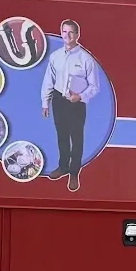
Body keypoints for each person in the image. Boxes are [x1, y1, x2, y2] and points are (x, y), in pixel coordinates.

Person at [40, 18, 100, 191]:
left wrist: (80, 97)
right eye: (64, 32)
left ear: (77, 35)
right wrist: (45, 102)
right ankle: (63, 166)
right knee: (62, 136)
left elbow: (95, 86)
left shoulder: (86, 59)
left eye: (71, 32)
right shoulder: (55, 56)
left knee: (77, 138)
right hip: (59, 100)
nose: (67, 35)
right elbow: (49, 80)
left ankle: (74, 173)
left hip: (76, 103)